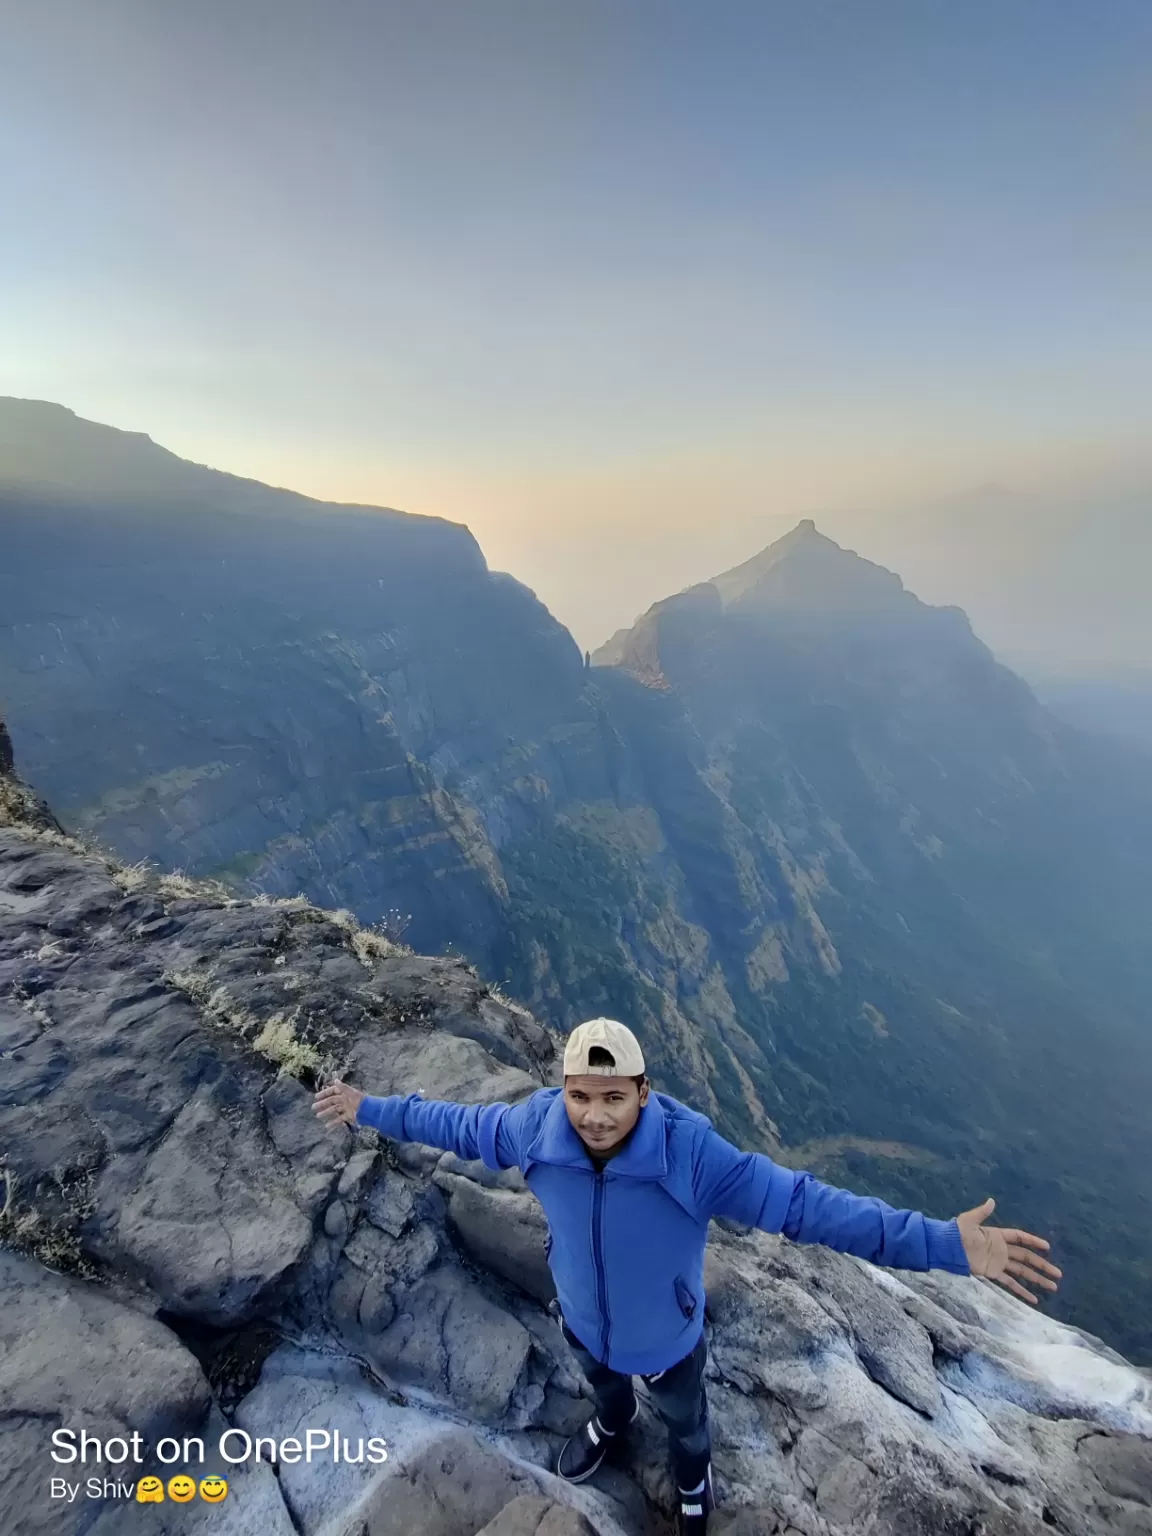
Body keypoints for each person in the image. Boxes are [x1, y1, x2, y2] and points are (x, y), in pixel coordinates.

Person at [313, 1018, 1061, 1535]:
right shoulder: (533, 1131)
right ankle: (611, 1422)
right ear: (563, 1091)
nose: (596, 1116)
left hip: (669, 1335)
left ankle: (693, 1478)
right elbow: (455, 1124)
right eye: (581, 1097)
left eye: (614, 1099)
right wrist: (367, 1107)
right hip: (582, 1316)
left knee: (686, 1419)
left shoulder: (693, 1159)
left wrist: (943, 1244)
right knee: (603, 1383)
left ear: (644, 1092)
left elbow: (807, 1206)